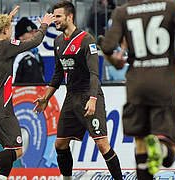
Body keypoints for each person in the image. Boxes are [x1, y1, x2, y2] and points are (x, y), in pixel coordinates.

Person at [101, 0, 175, 179]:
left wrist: (116, 62)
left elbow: (106, 48)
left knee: (140, 145)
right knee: (168, 152)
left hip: (136, 85)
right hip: (163, 83)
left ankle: (153, 154)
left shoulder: (122, 11)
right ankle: (161, 149)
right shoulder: (171, 6)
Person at [33, 1, 123, 179]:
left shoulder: (86, 39)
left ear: (70, 17)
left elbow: (94, 74)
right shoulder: (58, 41)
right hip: (71, 97)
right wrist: (45, 98)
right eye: (54, 16)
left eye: (58, 16)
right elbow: (58, 75)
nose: (55, 20)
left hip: (89, 95)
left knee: (102, 145)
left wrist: (92, 99)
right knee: (60, 144)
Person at [0, 6, 54, 180]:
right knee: (17, 150)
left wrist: (6, 21)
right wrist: (45, 25)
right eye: (10, 28)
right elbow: (35, 42)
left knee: (8, 149)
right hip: (2, 108)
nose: (12, 31)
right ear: (5, 30)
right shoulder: (6, 46)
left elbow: (1, 37)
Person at [13, 17, 45, 84]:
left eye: (35, 32)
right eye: (30, 32)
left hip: (37, 93)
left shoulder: (36, 55)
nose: (34, 35)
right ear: (20, 37)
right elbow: (12, 83)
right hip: (21, 93)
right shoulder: (16, 56)